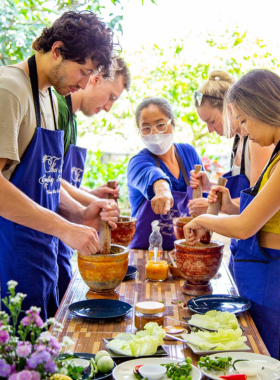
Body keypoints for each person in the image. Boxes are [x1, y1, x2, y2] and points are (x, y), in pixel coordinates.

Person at [0, 11, 119, 320]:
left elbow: (46, 181)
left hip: (43, 256)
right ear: (57, 51)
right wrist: (65, 228)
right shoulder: (10, 89)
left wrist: (79, 214)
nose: (83, 83)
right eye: (83, 71)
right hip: (10, 260)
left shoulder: (51, 98)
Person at [183, 69, 280, 359]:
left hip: (272, 278)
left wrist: (201, 219)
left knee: (268, 359)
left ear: (262, 108)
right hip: (260, 274)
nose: (244, 130)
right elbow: (264, 213)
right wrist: (229, 207)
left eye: (244, 120)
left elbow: (244, 228)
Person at [54, 57, 131, 301]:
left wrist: (91, 194)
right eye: (111, 97)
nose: (108, 107)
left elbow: (60, 181)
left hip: (61, 240)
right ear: (95, 79)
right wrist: (88, 202)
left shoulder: (72, 118)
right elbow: (47, 178)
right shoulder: (57, 108)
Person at [189, 70, 273, 276]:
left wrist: (206, 217)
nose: (210, 130)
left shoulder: (258, 142)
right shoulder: (240, 142)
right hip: (245, 249)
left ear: (229, 109)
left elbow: (254, 211)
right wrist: (212, 191)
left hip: (261, 253)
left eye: (211, 121)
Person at [127, 97, 204, 250]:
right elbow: (150, 173)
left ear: (172, 123)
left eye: (161, 125)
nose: (154, 133)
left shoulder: (189, 153)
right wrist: (162, 189)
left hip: (185, 251)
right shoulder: (137, 162)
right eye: (146, 128)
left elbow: (203, 196)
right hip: (144, 255)